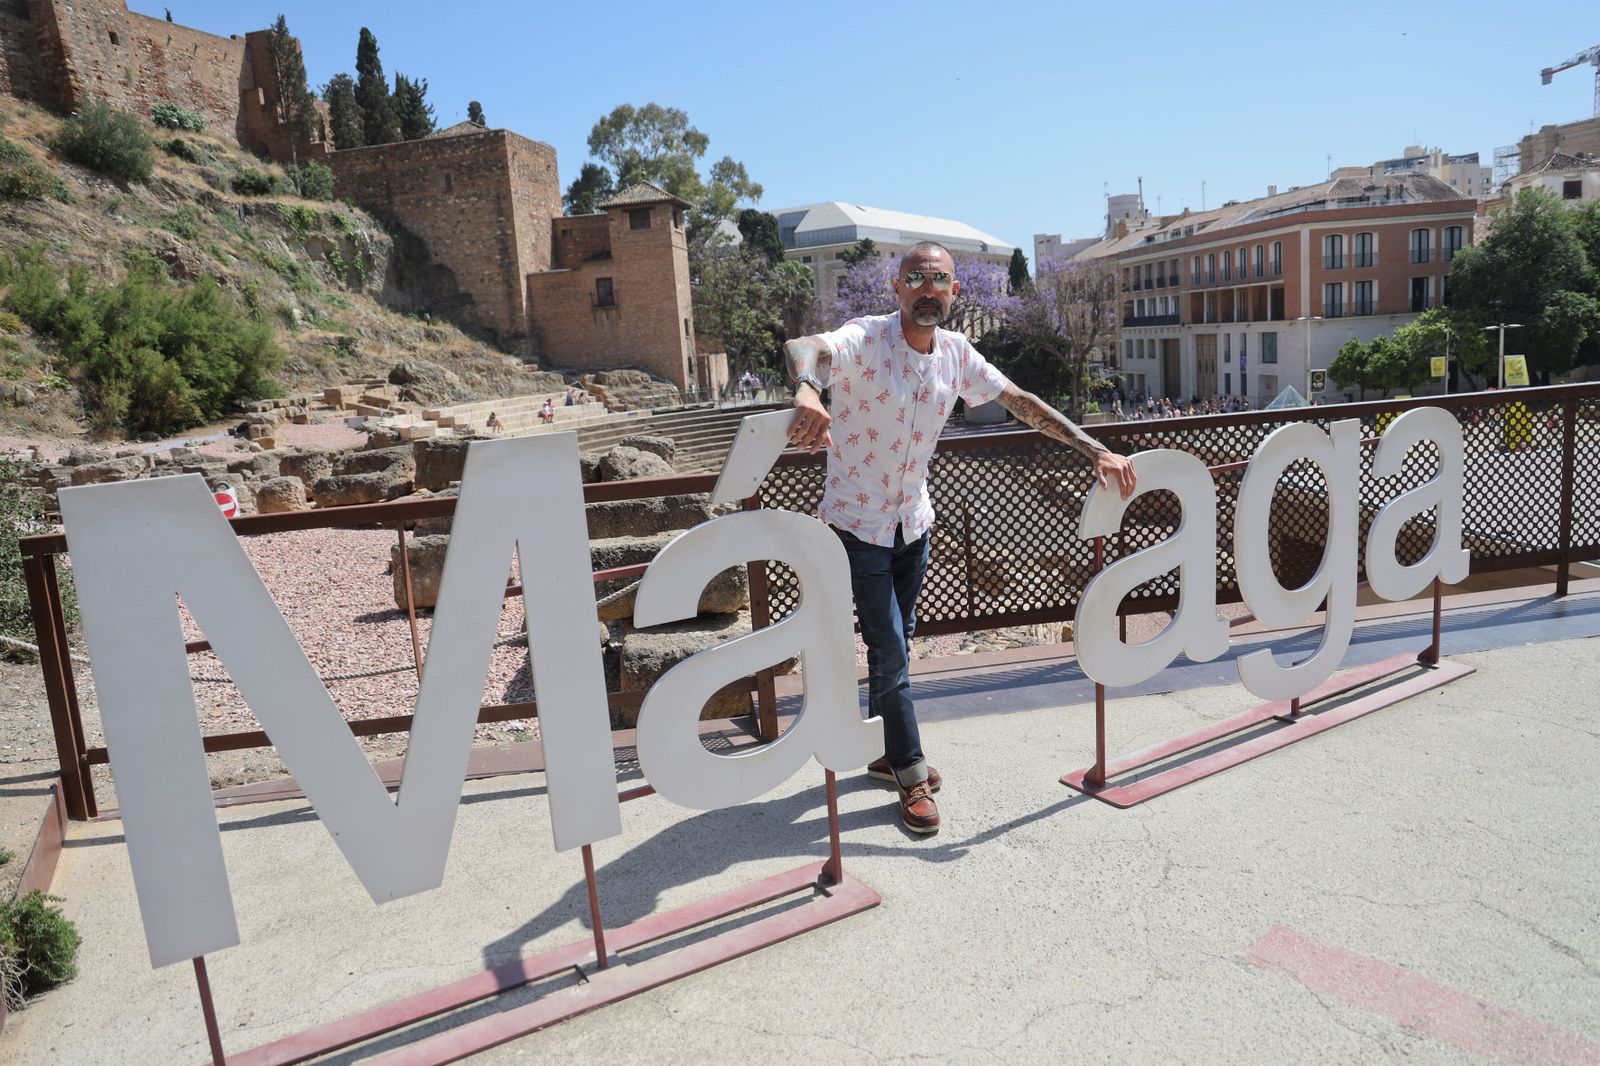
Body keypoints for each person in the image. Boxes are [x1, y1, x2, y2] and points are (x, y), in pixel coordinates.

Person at [784, 241, 1136, 835]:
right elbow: (805, 347)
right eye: (915, 278)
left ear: (954, 292)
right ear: (896, 289)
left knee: (898, 643)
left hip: (912, 523)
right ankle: (911, 773)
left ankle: (884, 750)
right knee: (891, 651)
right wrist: (808, 388)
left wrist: (1094, 449)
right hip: (857, 524)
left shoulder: (956, 354)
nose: (928, 288)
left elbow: (1020, 401)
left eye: (939, 279)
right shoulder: (865, 339)